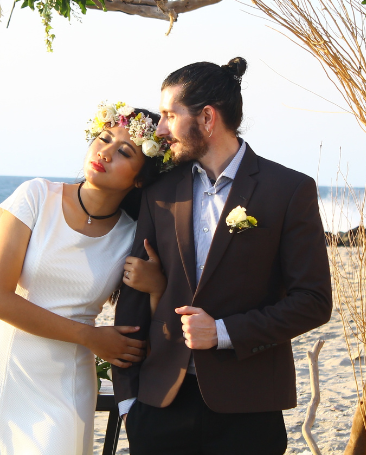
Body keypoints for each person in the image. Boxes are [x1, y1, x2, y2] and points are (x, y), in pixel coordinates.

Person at [113, 58, 333, 455]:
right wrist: (129, 401)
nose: (160, 129)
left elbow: (314, 302)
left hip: (249, 409)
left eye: (168, 115)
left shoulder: (289, 190)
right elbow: (132, 301)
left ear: (208, 118)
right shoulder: (158, 191)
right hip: (159, 406)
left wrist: (223, 332)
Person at [0, 102, 171, 455]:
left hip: (67, 379)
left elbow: (151, 323)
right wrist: (90, 337)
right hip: (1, 364)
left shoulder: (133, 237)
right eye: (103, 138)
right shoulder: (35, 196)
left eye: (123, 151)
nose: (104, 153)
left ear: (140, 177)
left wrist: (156, 286)